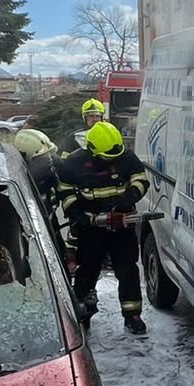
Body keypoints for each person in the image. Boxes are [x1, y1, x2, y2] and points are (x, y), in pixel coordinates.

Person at [55, 122, 151, 334]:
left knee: (128, 270)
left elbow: (140, 180)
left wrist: (127, 202)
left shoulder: (126, 156)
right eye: (108, 157)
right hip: (91, 229)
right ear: (93, 150)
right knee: (87, 270)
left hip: (122, 226)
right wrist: (78, 216)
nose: (113, 160)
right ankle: (82, 311)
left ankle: (133, 315)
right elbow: (66, 192)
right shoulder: (73, 163)